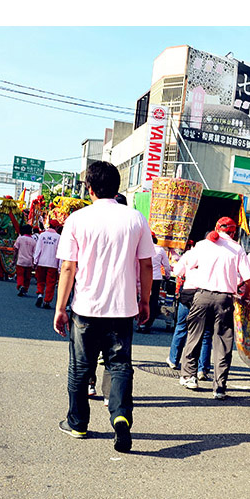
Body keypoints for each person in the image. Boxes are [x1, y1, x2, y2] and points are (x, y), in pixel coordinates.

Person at [53, 160, 154, 453]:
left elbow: (69, 268)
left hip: (85, 308)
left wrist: (60, 308)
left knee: (80, 369)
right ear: (117, 186)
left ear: (90, 188)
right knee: (120, 366)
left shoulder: (77, 219)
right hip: (122, 309)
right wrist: (144, 300)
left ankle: (78, 423)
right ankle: (120, 417)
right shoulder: (136, 219)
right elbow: (146, 264)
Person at [178, 217, 250, 400]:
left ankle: (190, 377)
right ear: (233, 232)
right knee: (222, 342)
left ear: (216, 227)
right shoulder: (237, 248)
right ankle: (219, 387)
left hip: (202, 295)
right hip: (224, 299)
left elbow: (188, 265)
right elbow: (248, 278)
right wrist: (244, 294)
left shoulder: (203, 244)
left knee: (194, 336)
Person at [166, 243, 212, 378]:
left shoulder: (190, 253)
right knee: (205, 333)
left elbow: (178, 271)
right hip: (206, 294)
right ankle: (202, 369)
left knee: (181, 327)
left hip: (188, 293)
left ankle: (174, 360)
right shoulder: (217, 254)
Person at [141, 234, 171, 333]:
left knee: (141, 299)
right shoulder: (160, 250)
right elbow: (166, 265)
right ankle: (148, 324)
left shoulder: (142, 248)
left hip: (143, 278)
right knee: (153, 302)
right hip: (156, 279)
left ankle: (141, 323)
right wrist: (167, 276)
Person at [33, 223, 62, 309]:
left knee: (40, 280)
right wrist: (60, 267)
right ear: (56, 227)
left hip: (42, 262)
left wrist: (35, 261)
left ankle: (40, 294)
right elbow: (60, 252)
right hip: (53, 263)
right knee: (51, 283)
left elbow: (38, 249)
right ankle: (47, 301)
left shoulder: (42, 235)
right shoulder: (58, 237)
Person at [13, 224, 37, 296]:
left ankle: (20, 286)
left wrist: (14, 259)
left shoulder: (20, 238)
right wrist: (34, 263)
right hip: (29, 262)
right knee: (27, 277)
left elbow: (15, 249)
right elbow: (34, 253)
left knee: (20, 275)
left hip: (20, 261)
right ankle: (25, 289)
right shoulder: (33, 241)